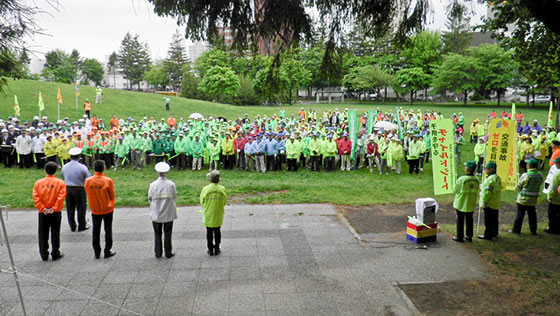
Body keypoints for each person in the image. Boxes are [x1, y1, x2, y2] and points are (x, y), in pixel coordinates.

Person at [33, 161, 67, 261]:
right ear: (55, 170)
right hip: (55, 212)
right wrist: (54, 208)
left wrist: (42, 208)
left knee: (43, 233)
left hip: (43, 212)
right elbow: (61, 197)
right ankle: (55, 252)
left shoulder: (39, 183)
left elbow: (36, 197)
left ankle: (44, 253)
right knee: (55, 232)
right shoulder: (60, 183)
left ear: (45, 170)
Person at [85, 160, 117, 259]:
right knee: (108, 229)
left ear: (94, 168)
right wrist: (112, 204)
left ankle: (96, 251)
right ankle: (107, 250)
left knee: (96, 230)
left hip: (95, 208)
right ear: (103, 168)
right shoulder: (108, 180)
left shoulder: (88, 181)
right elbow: (112, 195)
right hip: (107, 208)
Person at [148, 162, 177, 258]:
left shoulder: (153, 185)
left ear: (157, 172)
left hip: (156, 213)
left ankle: (158, 252)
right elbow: (174, 197)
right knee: (168, 233)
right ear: (167, 172)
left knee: (157, 233)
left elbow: (150, 198)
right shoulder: (171, 184)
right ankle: (168, 252)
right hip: (168, 212)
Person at [61, 147, 91, 232]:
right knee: (81, 208)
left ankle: (72, 226)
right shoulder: (82, 167)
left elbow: (63, 176)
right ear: (79, 156)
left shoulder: (65, 167)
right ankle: (81, 225)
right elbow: (88, 178)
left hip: (68, 188)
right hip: (80, 188)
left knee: (70, 208)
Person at [511, 158, 543, 235]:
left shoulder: (526, 175)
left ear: (529, 166)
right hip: (533, 200)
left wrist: (518, 190)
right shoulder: (540, 175)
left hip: (523, 199)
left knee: (520, 215)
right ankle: (533, 230)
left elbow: (518, 187)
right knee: (532, 215)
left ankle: (516, 230)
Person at [200, 170, 227, 256]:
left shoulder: (205, 189)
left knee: (209, 232)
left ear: (210, 179)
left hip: (208, 213)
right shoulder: (222, 189)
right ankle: (217, 248)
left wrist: (206, 206)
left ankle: (210, 249)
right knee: (217, 231)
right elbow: (224, 201)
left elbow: (202, 201)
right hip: (218, 213)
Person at [452, 160, 480, 242]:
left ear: (467, 169)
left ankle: (459, 236)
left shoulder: (462, 179)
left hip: (461, 202)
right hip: (471, 202)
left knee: (460, 220)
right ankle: (469, 235)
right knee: (469, 219)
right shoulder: (477, 179)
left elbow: (456, 190)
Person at [478, 161, 502, 240]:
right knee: (495, 219)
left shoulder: (490, 179)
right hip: (495, 202)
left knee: (488, 221)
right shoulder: (497, 178)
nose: (485, 170)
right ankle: (495, 232)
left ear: (491, 169)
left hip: (489, 203)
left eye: (486, 169)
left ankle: (488, 235)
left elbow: (488, 192)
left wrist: (484, 202)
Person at [546, 157, 560, 234]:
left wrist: (550, 197)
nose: (555, 164)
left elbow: (553, 188)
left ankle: (551, 229)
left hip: (555, 199)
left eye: (556, 162)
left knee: (552, 215)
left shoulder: (557, 174)